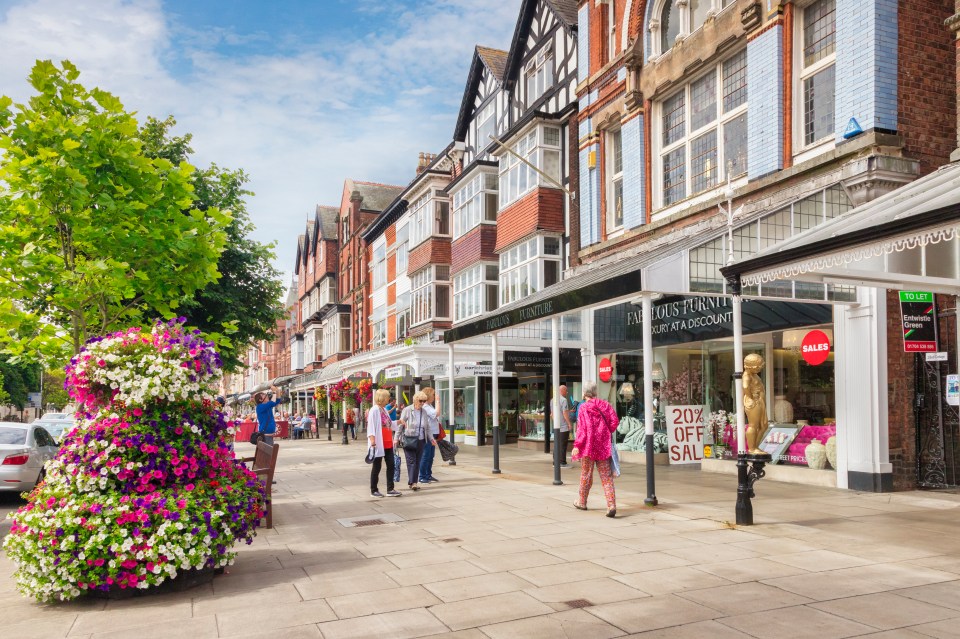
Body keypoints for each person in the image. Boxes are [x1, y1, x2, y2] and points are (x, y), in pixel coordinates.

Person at [571, 381, 619, 518]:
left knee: (586, 474)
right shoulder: (605, 405)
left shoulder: (584, 408)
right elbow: (614, 421)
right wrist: (606, 432)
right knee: (606, 476)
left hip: (588, 447)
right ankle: (611, 505)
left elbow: (582, 430)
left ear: (584, 393)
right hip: (603, 446)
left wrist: (577, 445)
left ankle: (582, 502)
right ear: (596, 392)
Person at [367, 388, 401, 498]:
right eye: (387, 397)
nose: (389, 399)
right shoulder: (375, 410)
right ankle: (374, 490)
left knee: (391, 465)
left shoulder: (384, 410)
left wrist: (399, 422)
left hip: (387, 442)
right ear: (382, 398)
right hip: (378, 442)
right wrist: (372, 442)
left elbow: (389, 424)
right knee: (377, 467)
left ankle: (390, 489)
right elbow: (371, 426)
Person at [398, 392, 434, 491]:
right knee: (412, 461)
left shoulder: (424, 412)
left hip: (421, 440)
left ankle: (414, 482)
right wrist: (396, 438)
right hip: (409, 439)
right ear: (415, 400)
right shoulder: (407, 410)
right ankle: (412, 482)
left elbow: (428, 427)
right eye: (420, 401)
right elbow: (401, 424)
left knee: (417, 461)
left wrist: (431, 439)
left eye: (424, 401)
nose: (422, 403)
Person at [743, 353, 769, 453]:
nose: (760, 368)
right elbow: (745, 386)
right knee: (753, 425)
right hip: (754, 402)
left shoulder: (754, 375)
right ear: (751, 366)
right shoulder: (747, 376)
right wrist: (751, 396)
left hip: (759, 401)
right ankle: (752, 448)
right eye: (758, 366)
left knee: (764, 425)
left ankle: (755, 446)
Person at [419, 387, 441, 483]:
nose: (434, 396)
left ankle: (428, 474)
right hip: (429, 434)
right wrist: (438, 401)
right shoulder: (425, 407)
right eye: (433, 395)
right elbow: (437, 413)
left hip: (433, 433)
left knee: (431, 455)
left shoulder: (429, 406)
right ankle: (422, 476)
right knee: (426, 455)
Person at [556, 385, 573, 467]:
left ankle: (555, 461)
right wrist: (569, 423)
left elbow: (553, 413)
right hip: (563, 426)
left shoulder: (553, 400)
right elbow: (564, 413)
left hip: (556, 426)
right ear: (562, 390)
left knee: (557, 444)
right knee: (563, 444)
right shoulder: (564, 400)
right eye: (566, 390)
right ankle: (562, 462)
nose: (567, 392)